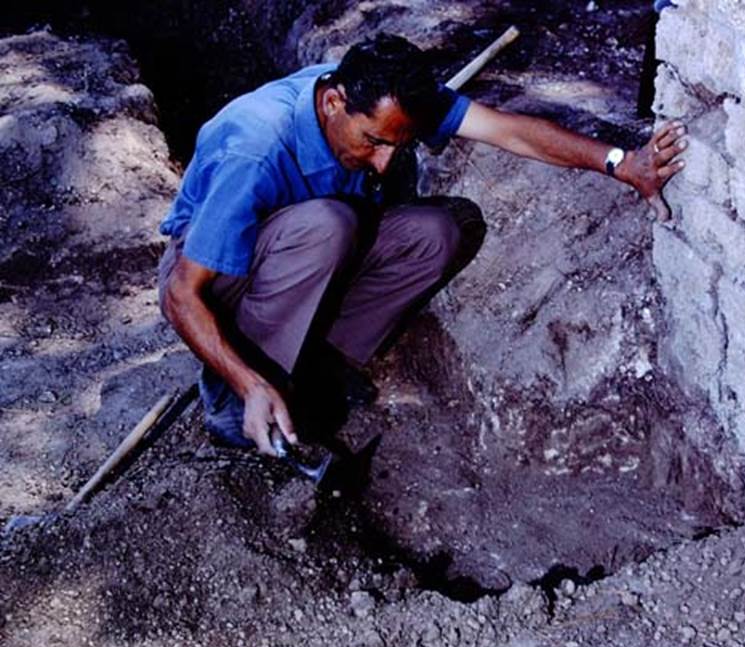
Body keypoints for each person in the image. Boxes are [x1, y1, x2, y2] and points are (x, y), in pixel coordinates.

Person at [157, 33, 687, 457]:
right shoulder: (254, 146)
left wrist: (621, 163)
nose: (386, 162)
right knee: (328, 225)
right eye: (373, 142)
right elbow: (181, 294)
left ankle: (318, 368)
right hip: (216, 273)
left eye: (399, 144)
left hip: (306, 255)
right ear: (334, 102)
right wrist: (247, 382)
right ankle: (238, 407)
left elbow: (510, 132)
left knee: (441, 231)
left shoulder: (391, 103)